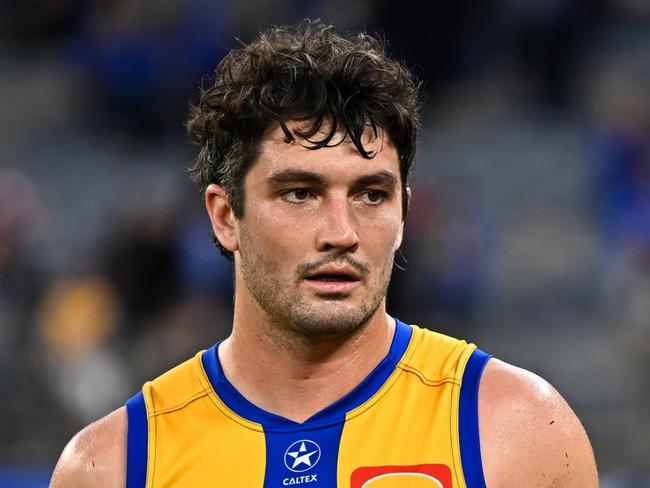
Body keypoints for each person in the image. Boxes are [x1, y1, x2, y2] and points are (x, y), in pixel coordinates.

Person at [50, 20, 598, 487]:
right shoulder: (112, 466)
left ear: (404, 214)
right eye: (300, 194)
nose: (342, 232)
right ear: (224, 216)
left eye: (371, 195)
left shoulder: (518, 432)